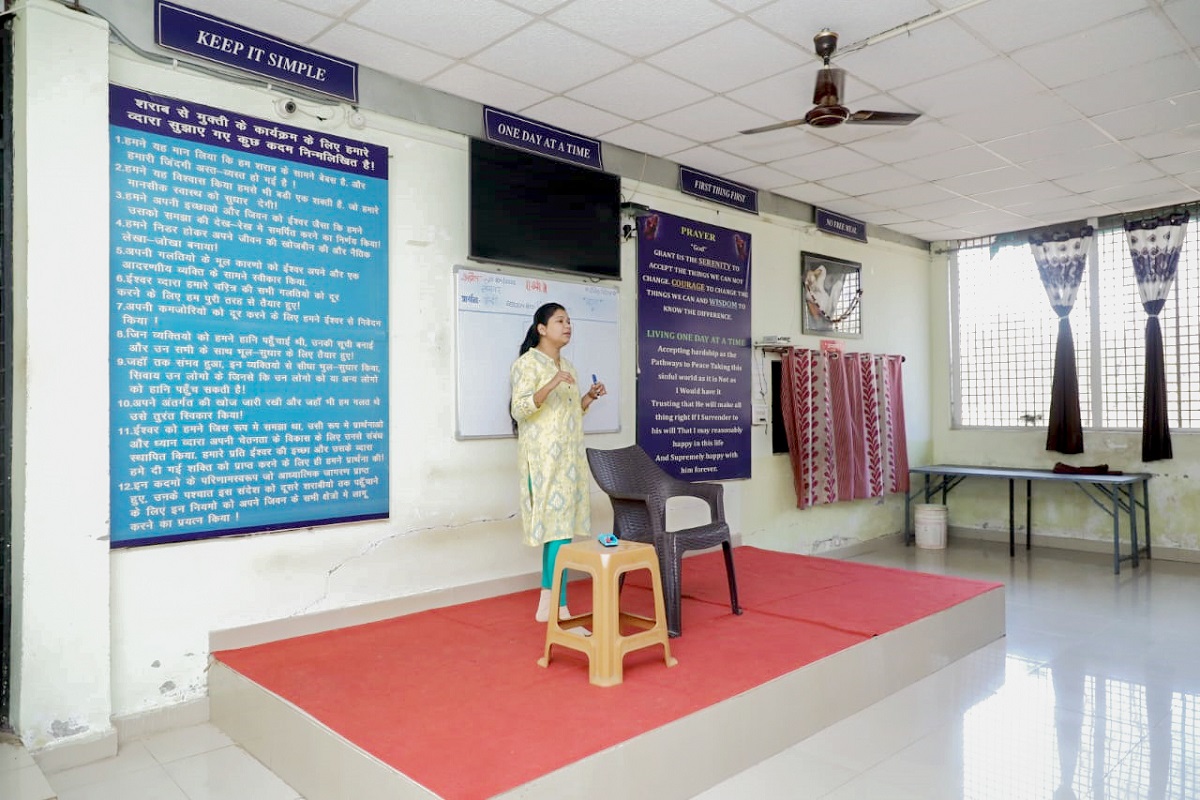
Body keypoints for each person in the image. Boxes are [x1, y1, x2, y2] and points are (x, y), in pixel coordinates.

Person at [510, 302, 606, 623]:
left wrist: (588, 397)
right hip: (543, 461)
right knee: (558, 531)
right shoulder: (527, 364)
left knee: (560, 531)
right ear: (541, 329)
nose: (568, 326)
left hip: (569, 460)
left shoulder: (569, 366)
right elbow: (520, 409)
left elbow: (568, 413)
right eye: (560, 321)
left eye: (570, 321)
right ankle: (558, 606)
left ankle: (547, 603)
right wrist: (550, 383)